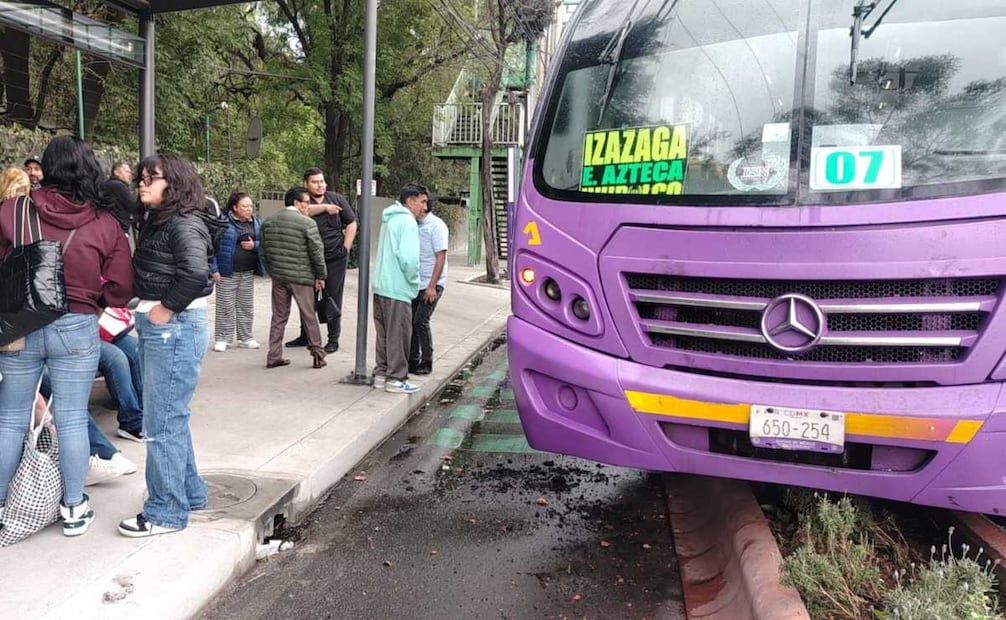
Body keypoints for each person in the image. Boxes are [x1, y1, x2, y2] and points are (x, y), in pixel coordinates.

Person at [0, 136, 134, 537]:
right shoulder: (104, 221)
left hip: (19, 325)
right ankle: (74, 508)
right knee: (73, 418)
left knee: (10, 419)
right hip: (77, 324)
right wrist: (95, 302)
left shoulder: (14, 211)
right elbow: (122, 287)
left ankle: (2, 503)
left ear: (46, 168)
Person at [119, 154, 223, 538]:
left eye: (152, 178)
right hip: (166, 327)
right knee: (169, 416)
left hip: (172, 327)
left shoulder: (183, 222)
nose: (142, 183)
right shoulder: (161, 220)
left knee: (160, 421)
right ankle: (190, 493)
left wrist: (164, 309)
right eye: (142, 177)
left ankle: (165, 511)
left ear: (174, 184)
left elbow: (195, 274)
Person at [285, 167, 357, 353]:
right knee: (306, 299)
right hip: (307, 259)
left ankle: (333, 339)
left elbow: (351, 223)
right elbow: (300, 212)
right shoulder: (302, 199)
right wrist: (324, 208)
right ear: (306, 184)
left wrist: (346, 247)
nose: (320, 185)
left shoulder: (337, 199)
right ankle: (305, 335)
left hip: (334, 258)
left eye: (322, 181)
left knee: (333, 297)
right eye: (315, 182)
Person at [261, 187, 328, 370]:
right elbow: (316, 252)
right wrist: (321, 275)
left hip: (279, 277)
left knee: (278, 317)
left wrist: (273, 271)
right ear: (297, 203)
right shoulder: (307, 223)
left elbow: (263, 252)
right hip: (302, 278)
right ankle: (317, 354)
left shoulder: (269, 222)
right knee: (308, 315)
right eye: (306, 202)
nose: (309, 206)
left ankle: (274, 355)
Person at [372, 183, 425, 394]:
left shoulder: (390, 219)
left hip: (382, 286)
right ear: (410, 201)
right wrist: (414, 282)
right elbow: (409, 259)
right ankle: (396, 378)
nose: (425, 206)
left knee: (384, 335)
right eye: (422, 201)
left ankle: (381, 374)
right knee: (399, 335)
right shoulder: (408, 222)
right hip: (398, 288)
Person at [212, 192, 263, 352]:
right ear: (234, 207)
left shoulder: (257, 223)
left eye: (250, 206)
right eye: (244, 206)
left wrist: (254, 245)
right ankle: (222, 338)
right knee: (225, 306)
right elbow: (211, 246)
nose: (249, 209)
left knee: (246, 306)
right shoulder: (223, 223)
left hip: (247, 271)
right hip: (226, 272)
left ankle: (246, 337)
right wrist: (214, 269)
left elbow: (266, 243)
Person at [409, 195, 449, 376]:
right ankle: (412, 360)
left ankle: (427, 361)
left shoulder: (436, 226)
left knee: (421, 321)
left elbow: (441, 257)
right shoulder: (414, 224)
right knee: (412, 321)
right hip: (416, 282)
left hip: (432, 283)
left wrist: (432, 286)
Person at [102, 160, 138, 236]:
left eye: (130, 172)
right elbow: (133, 206)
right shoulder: (118, 186)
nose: (129, 175)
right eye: (126, 171)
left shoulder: (109, 184)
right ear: (116, 172)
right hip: (118, 229)